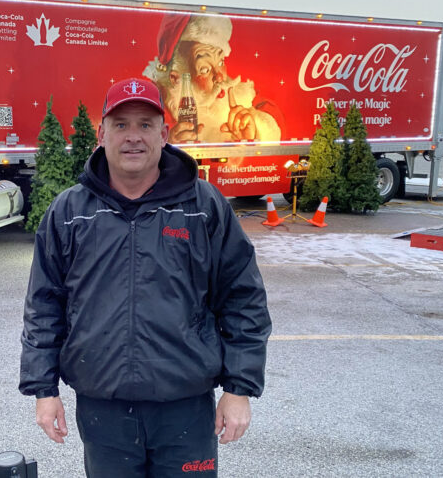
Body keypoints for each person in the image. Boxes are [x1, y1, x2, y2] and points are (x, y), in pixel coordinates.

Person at [19, 77, 271, 477]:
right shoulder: (70, 212)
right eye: (121, 125)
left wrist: (239, 389)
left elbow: (244, 299)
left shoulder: (204, 208)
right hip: (103, 411)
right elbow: (44, 305)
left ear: (164, 133)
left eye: (145, 124)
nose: (133, 137)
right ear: (101, 134)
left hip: (186, 410)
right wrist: (43, 390)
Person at [143, 14, 283, 144]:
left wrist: (255, 128)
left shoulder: (240, 96)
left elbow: (275, 122)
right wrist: (169, 145)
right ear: (176, 79)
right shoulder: (154, 107)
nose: (220, 78)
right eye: (205, 70)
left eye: (221, 62)